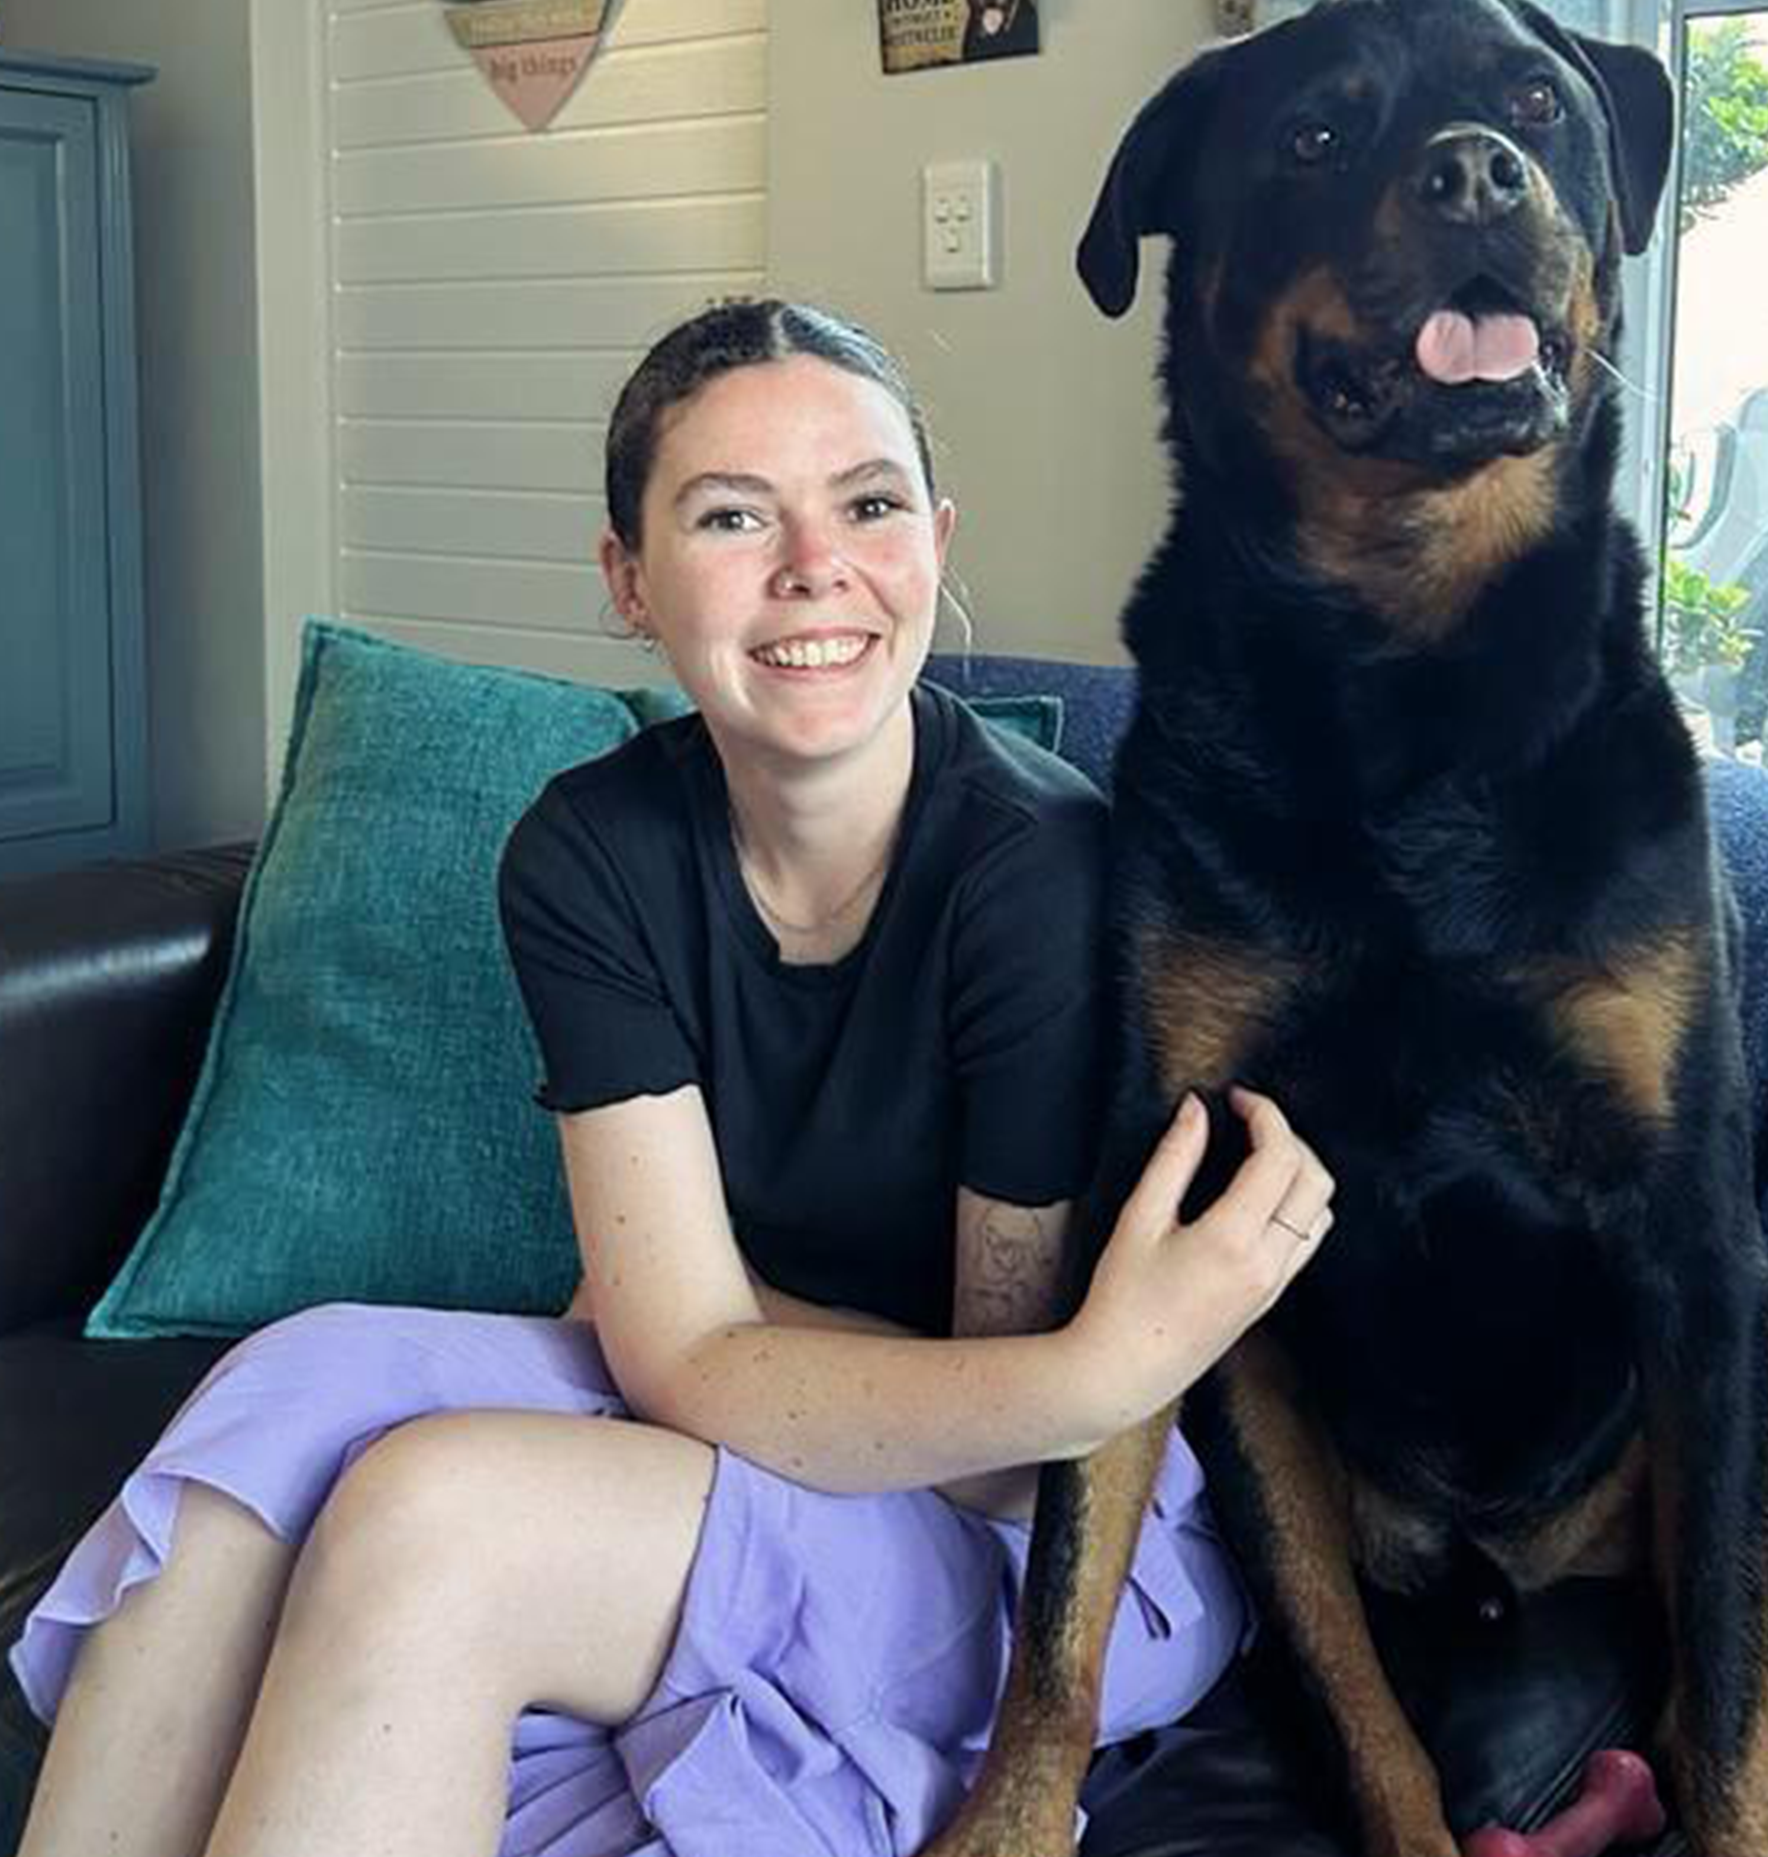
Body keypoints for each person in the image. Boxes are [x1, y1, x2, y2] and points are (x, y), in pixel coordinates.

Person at [8, 299, 1335, 1857]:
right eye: (728, 516)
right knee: (291, 1389)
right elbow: (678, 1352)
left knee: (444, 1513)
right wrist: (1075, 1360)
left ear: (935, 536)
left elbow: (992, 1455)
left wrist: (1053, 1385)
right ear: (628, 581)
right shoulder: (589, 850)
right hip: (916, 1416)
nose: (812, 567)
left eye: (868, 502)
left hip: (1054, 1554)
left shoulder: (1037, 871)